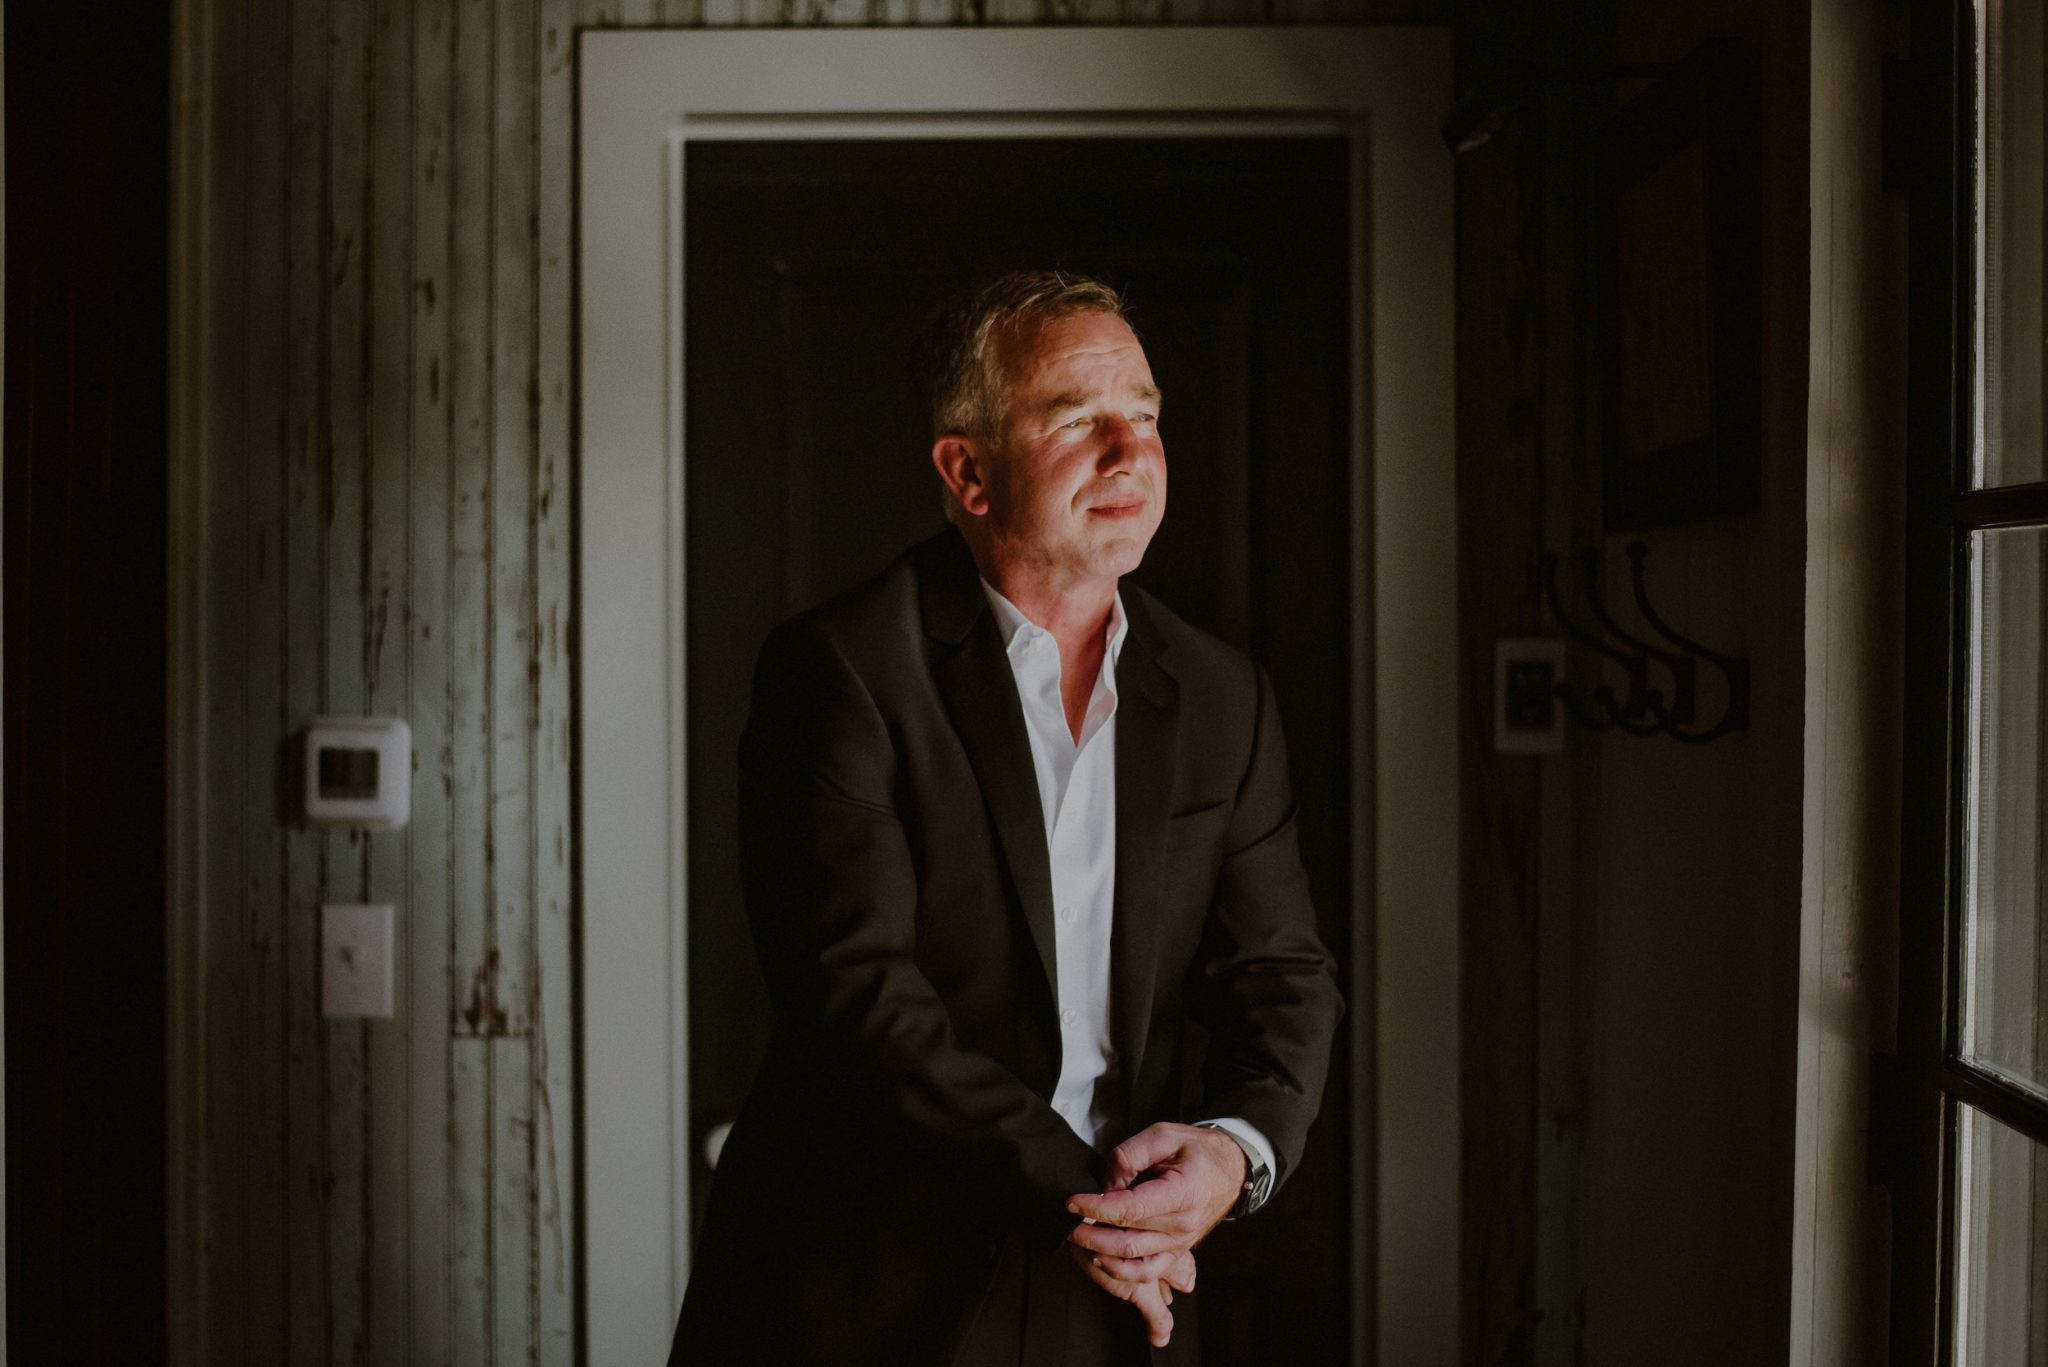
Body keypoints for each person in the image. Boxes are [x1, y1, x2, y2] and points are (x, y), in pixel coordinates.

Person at [668, 271, 1342, 1366]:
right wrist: (1101, 1210)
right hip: (863, 1283)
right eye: (1077, 420)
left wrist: (1230, 1155)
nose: (1132, 452)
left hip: (1117, 1298)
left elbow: (1283, 972)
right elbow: (855, 992)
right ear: (967, 470)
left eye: (1146, 413)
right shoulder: (840, 668)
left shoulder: (1227, 696)